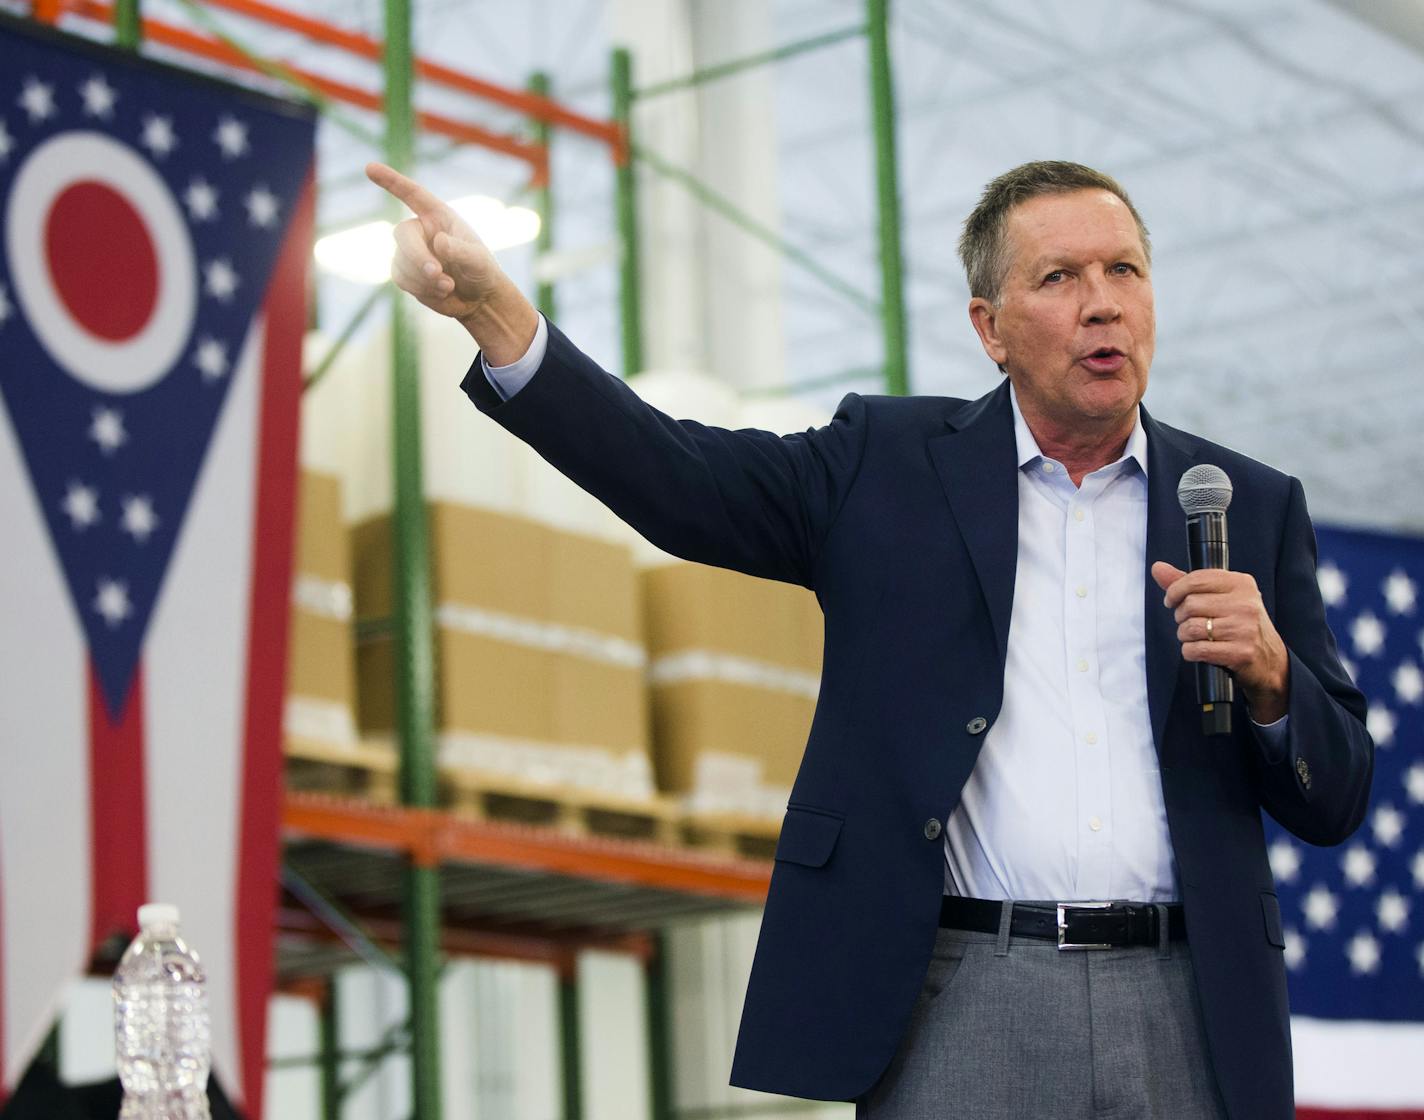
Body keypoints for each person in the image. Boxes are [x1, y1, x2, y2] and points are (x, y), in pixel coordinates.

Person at [366, 157, 1372, 1119]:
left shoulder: (1245, 504)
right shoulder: (884, 466)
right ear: (988, 326)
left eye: (1123, 270)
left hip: (1186, 1003)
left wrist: (1274, 678)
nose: (1100, 301)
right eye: (1058, 277)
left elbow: (1336, 793)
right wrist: (493, 312)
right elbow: (673, 476)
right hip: (966, 994)